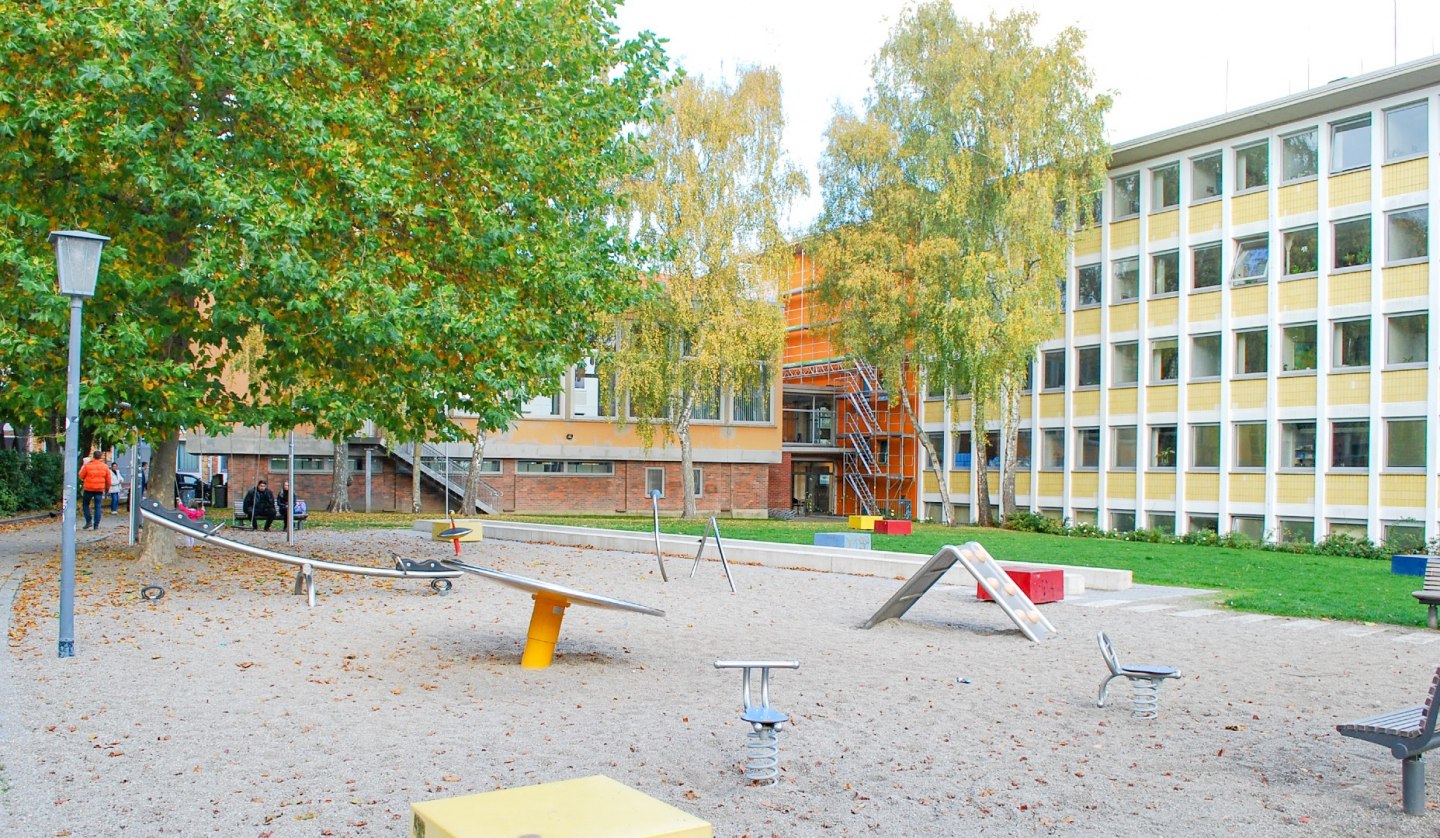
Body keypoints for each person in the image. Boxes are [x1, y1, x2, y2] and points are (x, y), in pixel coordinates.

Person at [77, 451, 110, 530]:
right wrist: (107, 489)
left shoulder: (88, 466)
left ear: (93, 456)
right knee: (98, 506)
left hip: (88, 488)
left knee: (85, 505)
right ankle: (96, 525)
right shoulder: (105, 466)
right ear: (101, 457)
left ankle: (88, 521)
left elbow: (81, 476)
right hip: (99, 489)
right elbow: (108, 479)